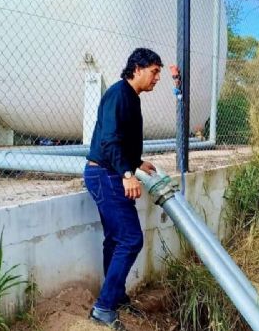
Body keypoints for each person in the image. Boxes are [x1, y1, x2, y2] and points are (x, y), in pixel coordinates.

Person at [85, 48, 163, 330]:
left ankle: (115, 296)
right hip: (106, 175)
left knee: (116, 240)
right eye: (154, 72)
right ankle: (103, 308)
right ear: (137, 69)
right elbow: (109, 141)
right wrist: (128, 174)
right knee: (131, 239)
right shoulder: (119, 94)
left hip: (109, 173)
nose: (157, 78)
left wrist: (137, 162)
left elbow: (121, 139)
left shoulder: (130, 96)